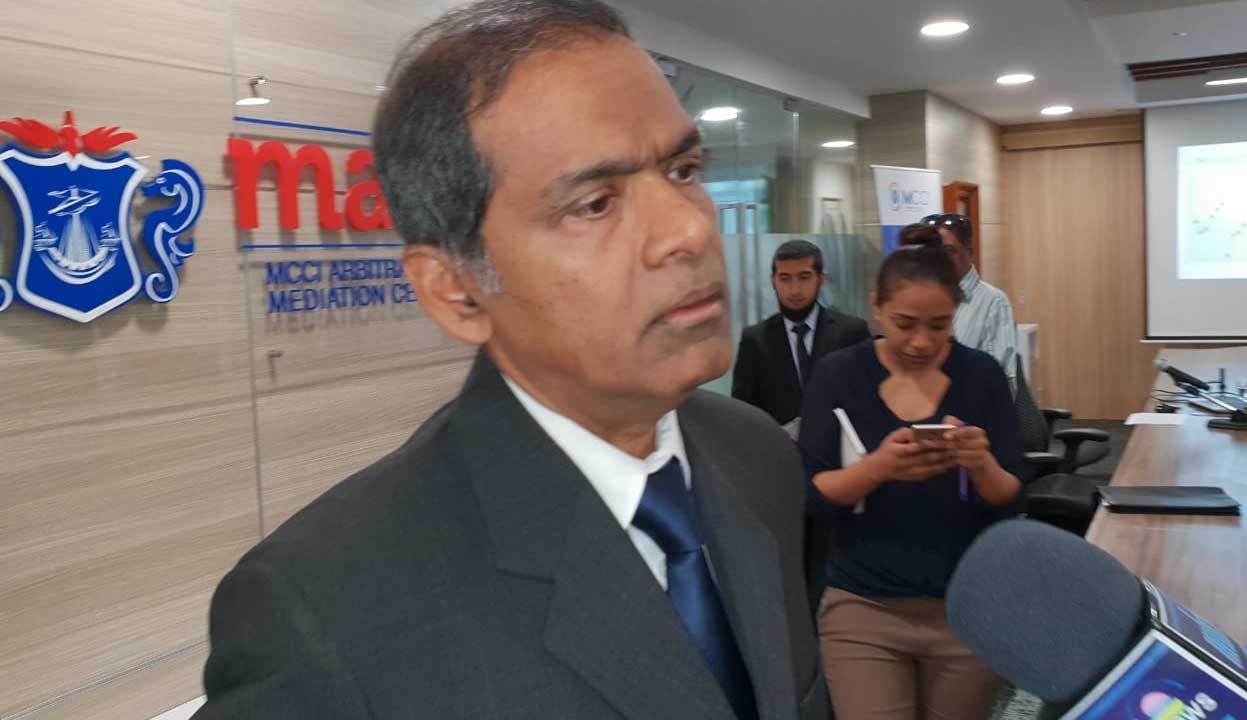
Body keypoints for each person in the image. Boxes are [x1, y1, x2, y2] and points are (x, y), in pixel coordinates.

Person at [195, 2, 828, 719]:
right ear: (457, 290)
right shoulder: (320, 611)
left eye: (684, 170)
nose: (689, 227)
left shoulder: (758, 458)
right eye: (595, 204)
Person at [798, 244, 1025, 720]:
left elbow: (1010, 497)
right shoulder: (839, 375)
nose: (921, 342)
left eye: (939, 326)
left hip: (966, 605)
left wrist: (980, 463)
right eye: (905, 324)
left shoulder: (980, 376)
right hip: (864, 607)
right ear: (876, 307)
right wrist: (878, 468)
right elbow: (812, 495)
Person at [732, 240, 871, 431]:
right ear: (773, 281)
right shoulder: (755, 340)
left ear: (821, 279)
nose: (795, 290)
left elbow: (867, 399)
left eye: (804, 277)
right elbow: (743, 411)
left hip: (840, 444)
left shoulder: (852, 332)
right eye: (785, 278)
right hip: (777, 446)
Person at [919, 213, 1018, 395]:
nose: (939, 260)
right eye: (932, 252)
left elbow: (1001, 383)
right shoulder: (921, 300)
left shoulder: (994, 302)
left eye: (948, 251)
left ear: (970, 253)